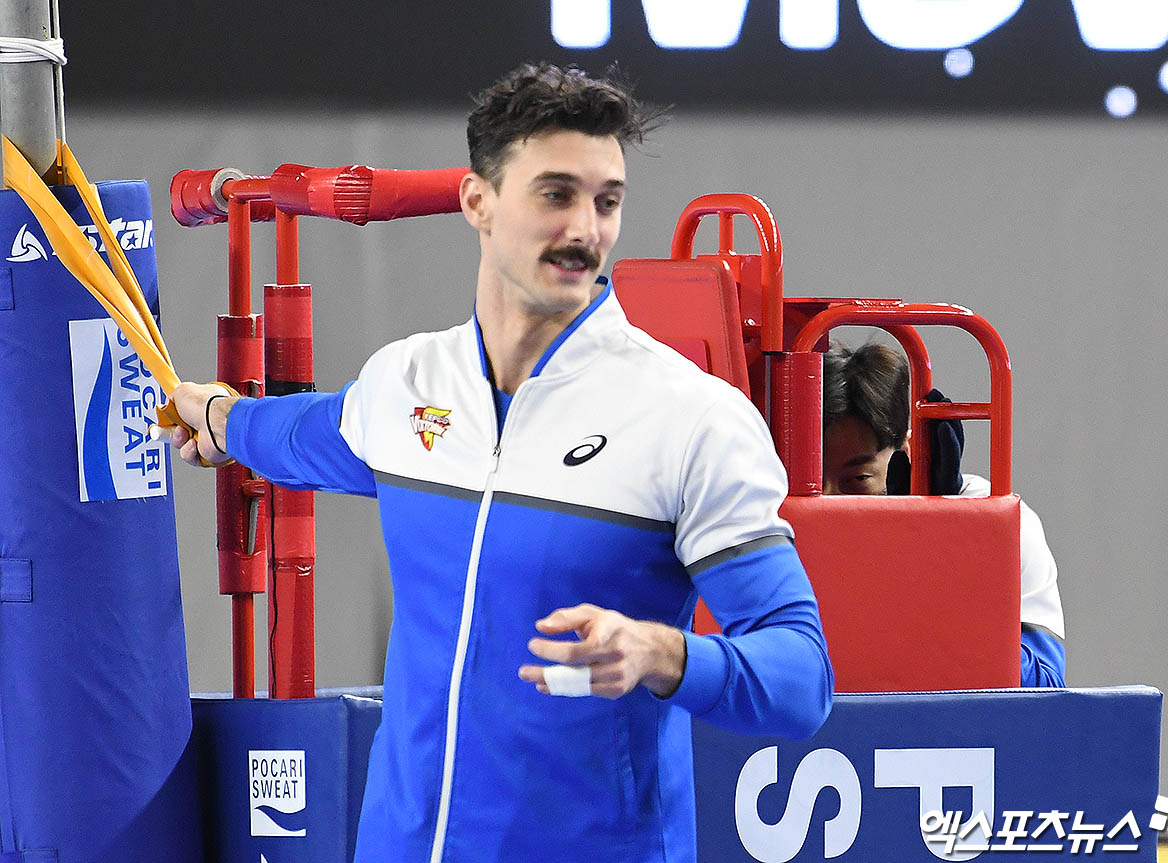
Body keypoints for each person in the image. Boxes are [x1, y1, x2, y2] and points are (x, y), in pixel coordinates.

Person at [164, 63, 833, 862]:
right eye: (556, 194)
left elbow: (801, 678)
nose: (587, 228)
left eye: (607, 200)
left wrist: (665, 653)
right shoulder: (407, 384)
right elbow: (297, 434)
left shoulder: (691, 419)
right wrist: (214, 414)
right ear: (478, 203)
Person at [821, 341, 1066, 688]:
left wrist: (938, 549)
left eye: (857, 479)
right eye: (811, 481)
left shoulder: (1000, 524)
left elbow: (1045, 685)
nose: (827, 500)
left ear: (907, 451)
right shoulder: (775, 521)